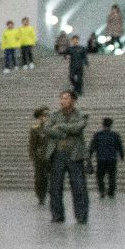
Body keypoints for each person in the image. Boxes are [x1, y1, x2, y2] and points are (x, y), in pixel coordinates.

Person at [43, 90, 90, 225]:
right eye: (61, 98)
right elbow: (47, 128)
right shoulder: (54, 115)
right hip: (57, 154)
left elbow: (78, 128)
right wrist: (63, 134)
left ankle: (81, 215)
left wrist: (61, 126)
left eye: (66, 98)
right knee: (55, 187)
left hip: (74, 154)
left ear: (73, 100)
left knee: (79, 186)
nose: (63, 101)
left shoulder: (81, 115)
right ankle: (57, 215)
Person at [90, 117, 124, 198]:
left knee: (100, 176)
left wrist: (89, 155)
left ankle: (102, 190)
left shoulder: (98, 135)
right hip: (112, 159)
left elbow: (92, 146)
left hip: (101, 159)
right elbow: (119, 146)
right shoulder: (115, 135)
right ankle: (111, 192)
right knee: (112, 176)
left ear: (103, 124)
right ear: (111, 125)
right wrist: (122, 155)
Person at [28, 107, 50, 205]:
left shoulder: (52, 127)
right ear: (40, 116)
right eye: (45, 115)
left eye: (48, 115)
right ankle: (41, 196)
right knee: (40, 178)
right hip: (40, 157)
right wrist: (33, 156)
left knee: (50, 177)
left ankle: (50, 194)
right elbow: (32, 144)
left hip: (50, 156)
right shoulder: (35, 129)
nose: (47, 117)